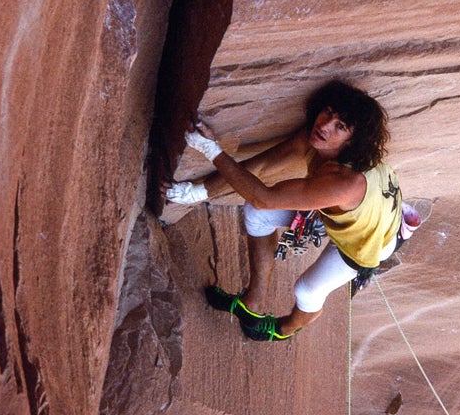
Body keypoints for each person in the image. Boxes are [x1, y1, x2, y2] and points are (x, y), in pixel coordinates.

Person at [166, 80, 402, 341]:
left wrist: (211, 149)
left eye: (341, 126)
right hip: (351, 215)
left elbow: (264, 197)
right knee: (257, 216)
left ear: (351, 141)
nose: (324, 125)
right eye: (328, 112)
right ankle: (251, 304)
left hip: (368, 242)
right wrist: (197, 192)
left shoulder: (344, 183)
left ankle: (283, 330)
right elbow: (262, 165)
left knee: (307, 291)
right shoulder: (318, 139)